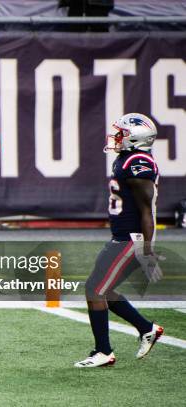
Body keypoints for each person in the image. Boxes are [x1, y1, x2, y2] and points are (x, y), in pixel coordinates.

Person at [74, 113, 164, 368]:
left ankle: (103, 352)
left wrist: (146, 250)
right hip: (121, 238)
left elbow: (147, 209)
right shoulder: (126, 159)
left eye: (122, 133)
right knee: (104, 290)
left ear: (137, 139)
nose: (116, 137)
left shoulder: (138, 161)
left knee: (95, 290)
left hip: (130, 240)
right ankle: (147, 328)